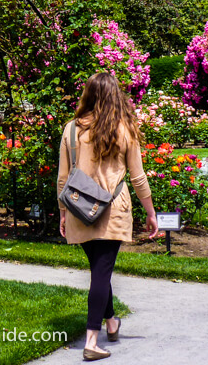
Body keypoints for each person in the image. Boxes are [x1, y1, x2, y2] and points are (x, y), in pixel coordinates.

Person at [57, 72, 158, 361]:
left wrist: (63, 213)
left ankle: (111, 322)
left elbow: (63, 179)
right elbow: (138, 178)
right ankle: (92, 341)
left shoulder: (71, 130)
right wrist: (150, 213)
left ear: (88, 94)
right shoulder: (124, 130)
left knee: (100, 270)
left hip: (78, 210)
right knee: (101, 273)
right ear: (116, 96)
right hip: (113, 210)